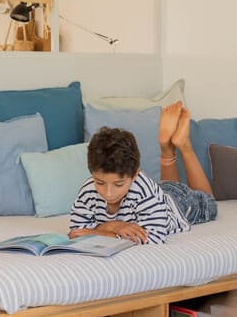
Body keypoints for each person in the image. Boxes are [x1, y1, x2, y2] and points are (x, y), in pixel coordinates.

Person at [69, 102, 217, 245]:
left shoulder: (144, 192)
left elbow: (153, 238)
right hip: (157, 193)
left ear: (135, 174)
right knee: (166, 187)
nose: (108, 193)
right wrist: (116, 226)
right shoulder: (87, 192)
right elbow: (77, 233)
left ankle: (184, 144)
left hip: (178, 204)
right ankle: (167, 147)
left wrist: (103, 231)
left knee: (210, 203)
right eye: (100, 183)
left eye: (118, 184)